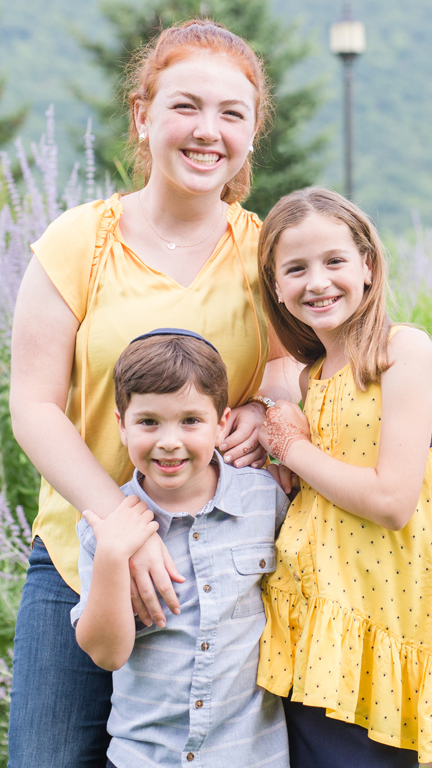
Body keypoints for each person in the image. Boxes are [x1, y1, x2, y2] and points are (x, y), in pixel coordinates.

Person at [8, 20, 299, 768]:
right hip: (80, 553)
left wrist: (266, 405)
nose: (208, 132)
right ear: (142, 114)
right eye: (185, 107)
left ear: (251, 131)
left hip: (213, 568)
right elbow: (33, 405)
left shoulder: (263, 251)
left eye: (232, 114)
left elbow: (285, 364)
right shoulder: (79, 242)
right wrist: (115, 525)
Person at [254, 187, 432, 768]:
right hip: (317, 623)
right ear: (277, 287)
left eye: (334, 261)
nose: (318, 281)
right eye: (296, 269)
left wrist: (291, 450)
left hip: (385, 629)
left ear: (368, 266)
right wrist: (282, 462)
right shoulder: (313, 378)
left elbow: (390, 501)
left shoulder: (404, 351)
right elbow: (328, 489)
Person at [72, 329, 290, 768]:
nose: (169, 440)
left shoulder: (264, 500)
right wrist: (115, 557)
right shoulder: (106, 530)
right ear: (121, 424)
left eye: (190, 421)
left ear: (222, 422)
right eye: (149, 422)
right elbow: (107, 653)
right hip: (146, 758)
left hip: (250, 756)